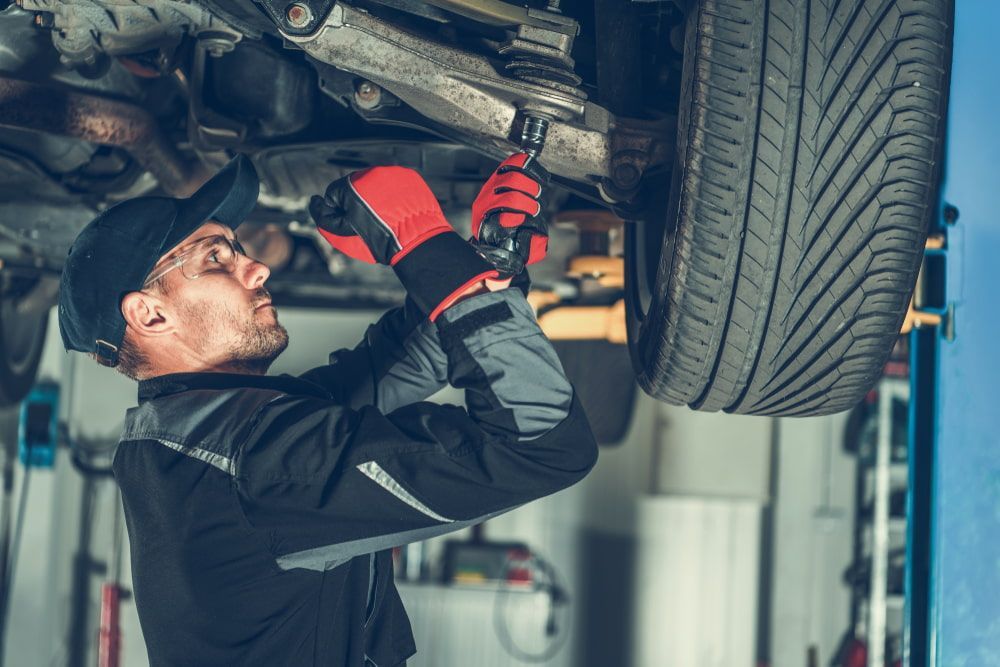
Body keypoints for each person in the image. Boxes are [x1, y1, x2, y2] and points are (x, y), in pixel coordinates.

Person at [57, 153, 598, 666]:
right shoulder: (251, 462)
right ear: (150, 316)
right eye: (215, 258)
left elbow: (398, 363)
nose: (258, 267)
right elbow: (543, 442)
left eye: (236, 248)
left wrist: (483, 260)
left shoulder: (201, 434)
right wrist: (421, 241)